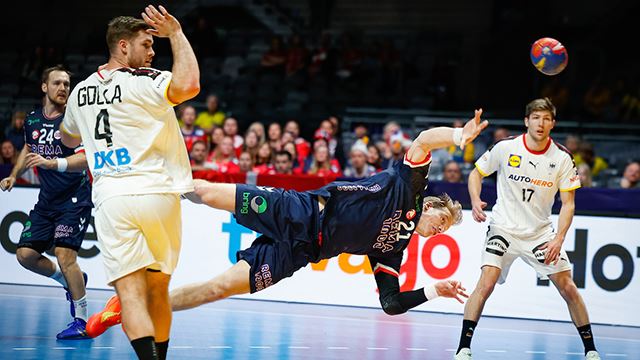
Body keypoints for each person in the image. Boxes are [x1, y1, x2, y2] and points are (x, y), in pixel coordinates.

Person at [88, 109, 490, 339]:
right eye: (442, 221)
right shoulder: (409, 188)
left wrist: (433, 291)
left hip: (300, 251)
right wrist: (458, 136)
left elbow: (390, 304)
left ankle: (128, 308)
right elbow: (422, 141)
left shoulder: (392, 250)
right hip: (302, 210)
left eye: (444, 231)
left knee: (218, 288)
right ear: (433, 205)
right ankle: (143, 179)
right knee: (209, 194)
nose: (439, 230)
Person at [59, 7, 199, 360]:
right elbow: (189, 85)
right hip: (155, 192)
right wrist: (177, 34)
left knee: (131, 296)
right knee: (158, 290)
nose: (153, 52)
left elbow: (68, 137)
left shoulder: (80, 92)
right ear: (123, 46)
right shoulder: (145, 80)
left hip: (111, 198)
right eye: (147, 44)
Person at [453, 98, 600, 360]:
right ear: (526, 121)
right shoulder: (506, 147)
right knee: (486, 283)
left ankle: (591, 351)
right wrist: (475, 200)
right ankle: (463, 347)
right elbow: (476, 174)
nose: (540, 123)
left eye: (546, 119)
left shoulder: (562, 158)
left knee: (568, 287)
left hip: (540, 235)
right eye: (535, 118)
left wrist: (558, 238)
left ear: (553, 123)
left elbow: (568, 205)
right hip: (503, 228)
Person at [0, 65, 92, 339]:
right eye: (58, 83)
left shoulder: (74, 122)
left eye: (67, 84)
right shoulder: (31, 121)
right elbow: (28, 147)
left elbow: (85, 160)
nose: (64, 88)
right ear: (44, 87)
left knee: (65, 255)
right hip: (46, 201)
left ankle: (82, 320)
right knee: (25, 256)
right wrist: (14, 175)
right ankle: (68, 281)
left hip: (74, 198)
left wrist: (51, 163)